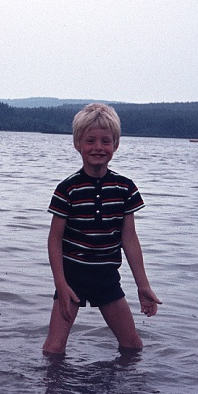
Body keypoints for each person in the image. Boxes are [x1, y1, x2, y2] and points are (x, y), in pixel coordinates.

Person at [43, 103, 161, 355]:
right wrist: (61, 286)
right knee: (54, 349)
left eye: (106, 141)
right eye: (90, 141)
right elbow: (55, 240)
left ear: (116, 145)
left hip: (107, 278)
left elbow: (129, 239)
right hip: (72, 278)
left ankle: (125, 392)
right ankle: (51, 392)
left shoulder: (125, 188)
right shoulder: (68, 189)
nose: (98, 147)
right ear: (77, 144)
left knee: (132, 347)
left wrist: (143, 286)